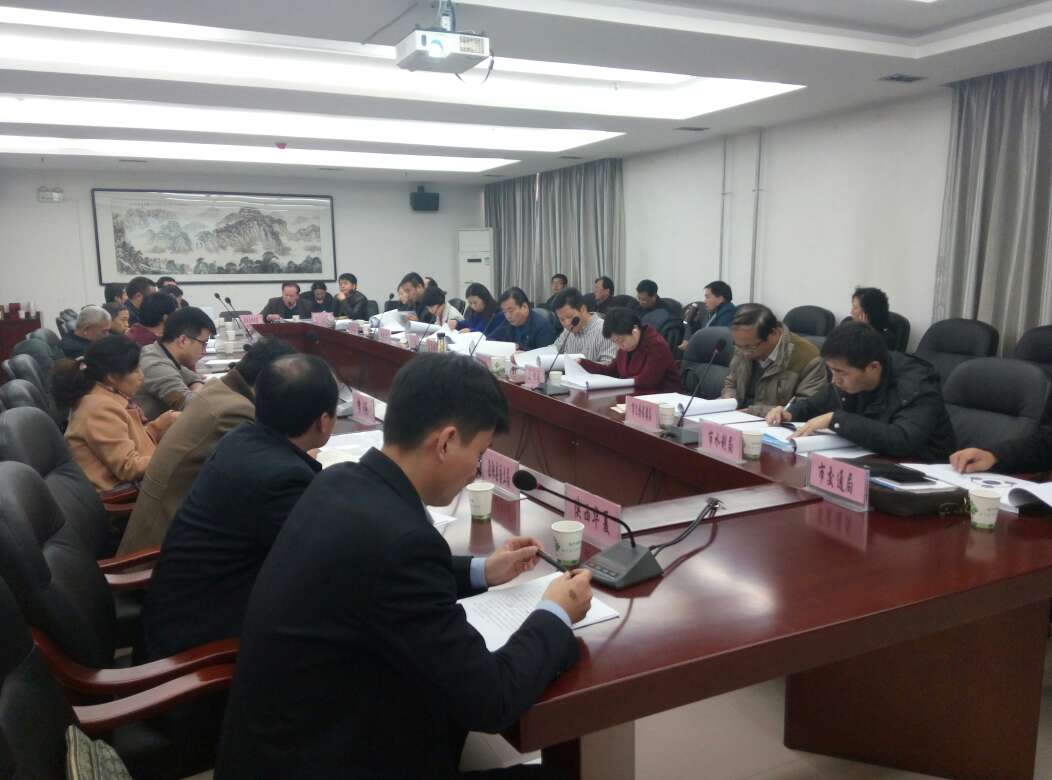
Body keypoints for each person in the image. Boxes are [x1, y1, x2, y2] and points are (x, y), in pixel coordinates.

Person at [214, 353, 592, 778]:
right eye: (479, 453)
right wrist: (555, 611)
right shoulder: (403, 545)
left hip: (280, 749)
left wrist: (483, 571)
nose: (476, 471)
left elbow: (379, 577)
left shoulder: (339, 481)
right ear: (445, 442)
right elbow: (491, 699)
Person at [139, 354, 336, 662]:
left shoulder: (241, 438)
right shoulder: (282, 477)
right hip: (200, 653)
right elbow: (323, 564)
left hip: (177, 618)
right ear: (324, 422)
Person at [118, 337, 297, 556]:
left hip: (169, 524)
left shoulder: (218, 389)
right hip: (164, 546)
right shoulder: (235, 411)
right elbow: (262, 479)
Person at [765, 321, 956, 461]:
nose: (834, 380)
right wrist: (789, 413)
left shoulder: (917, 385)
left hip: (922, 471)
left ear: (873, 368)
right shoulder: (848, 377)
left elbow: (902, 440)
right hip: (872, 459)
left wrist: (837, 420)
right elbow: (815, 404)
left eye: (840, 372)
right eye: (831, 370)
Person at [53, 336, 177, 492]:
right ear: (111, 377)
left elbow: (128, 441)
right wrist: (175, 456)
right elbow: (128, 467)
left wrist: (158, 427)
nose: (141, 376)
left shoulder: (101, 398)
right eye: (135, 370)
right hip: (124, 496)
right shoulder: (99, 409)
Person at [721, 304, 827, 417]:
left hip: (773, 423)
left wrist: (753, 411)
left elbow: (806, 406)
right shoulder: (743, 345)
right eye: (738, 346)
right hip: (737, 417)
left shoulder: (808, 358)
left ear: (774, 333)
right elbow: (731, 382)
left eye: (750, 347)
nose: (744, 353)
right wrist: (729, 399)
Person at [134, 307, 215, 420]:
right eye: (204, 343)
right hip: (151, 430)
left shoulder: (162, 352)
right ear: (183, 340)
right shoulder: (156, 366)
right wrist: (197, 391)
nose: (204, 351)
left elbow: (194, 378)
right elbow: (193, 407)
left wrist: (196, 387)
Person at [578, 307, 679, 392]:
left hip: (663, 400)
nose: (619, 345)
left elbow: (647, 381)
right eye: (615, 342)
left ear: (635, 330)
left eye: (621, 340)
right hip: (634, 396)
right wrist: (582, 363)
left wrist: (620, 382)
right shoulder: (625, 347)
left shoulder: (656, 345)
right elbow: (611, 371)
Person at [551, 287, 617, 364]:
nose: (567, 323)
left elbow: (609, 366)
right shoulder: (567, 331)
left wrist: (584, 365)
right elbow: (553, 350)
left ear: (582, 309)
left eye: (569, 317)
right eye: (562, 319)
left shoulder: (604, 330)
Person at [490, 287, 555, 350]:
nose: (508, 316)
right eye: (504, 312)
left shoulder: (542, 326)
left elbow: (545, 354)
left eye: (511, 311)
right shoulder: (508, 322)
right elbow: (491, 340)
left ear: (524, 307)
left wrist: (523, 353)